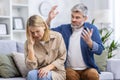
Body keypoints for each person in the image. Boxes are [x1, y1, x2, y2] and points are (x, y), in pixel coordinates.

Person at [46, 3, 104, 80]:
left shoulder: (92, 29)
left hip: (87, 68)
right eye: (72, 16)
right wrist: (49, 19)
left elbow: (100, 50)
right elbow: (47, 33)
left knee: (93, 75)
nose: (73, 20)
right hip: (69, 69)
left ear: (85, 18)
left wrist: (90, 43)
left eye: (77, 17)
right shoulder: (64, 29)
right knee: (69, 76)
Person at [24, 15, 66, 80]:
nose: (35, 35)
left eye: (37, 31)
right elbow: (31, 68)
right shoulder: (28, 43)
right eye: (32, 32)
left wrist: (48, 68)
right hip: (39, 71)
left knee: (43, 76)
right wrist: (30, 47)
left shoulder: (57, 37)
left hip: (57, 72)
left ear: (44, 26)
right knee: (31, 74)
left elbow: (62, 58)